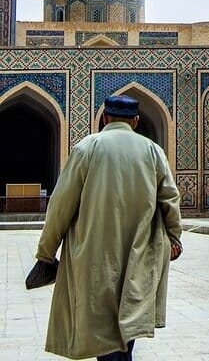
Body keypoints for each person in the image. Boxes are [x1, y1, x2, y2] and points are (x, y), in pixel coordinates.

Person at [34, 95, 183, 360]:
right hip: (140, 251)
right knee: (129, 321)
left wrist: (46, 253)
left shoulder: (86, 148)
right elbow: (170, 200)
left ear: (104, 118)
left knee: (102, 328)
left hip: (94, 255)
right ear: (135, 121)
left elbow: (60, 205)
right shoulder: (152, 151)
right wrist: (174, 238)